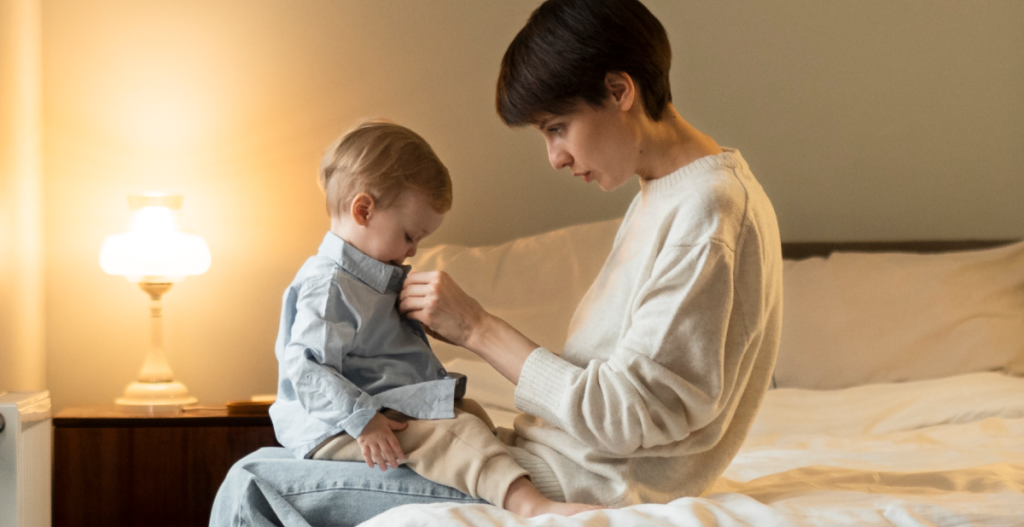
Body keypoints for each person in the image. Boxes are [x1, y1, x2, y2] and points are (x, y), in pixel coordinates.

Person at [211, 0, 781, 523]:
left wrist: (477, 329)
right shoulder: (666, 195)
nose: (555, 157)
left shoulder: (708, 213)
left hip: (576, 483)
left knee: (251, 482)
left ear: (618, 90)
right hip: (541, 459)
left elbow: (626, 417)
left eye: (557, 128)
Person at [266, 119, 599, 518]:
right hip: (341, 423)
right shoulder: (328, 285)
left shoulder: (374, 279)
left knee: (470, 414)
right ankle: (531, 505)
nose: (412, 251)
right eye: (410, 236)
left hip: (384, 406)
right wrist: (363, 421)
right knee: (452, 433)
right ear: (363, 210)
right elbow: (308, 369)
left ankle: (509, 478)